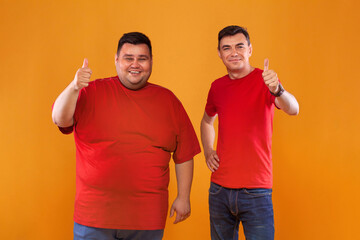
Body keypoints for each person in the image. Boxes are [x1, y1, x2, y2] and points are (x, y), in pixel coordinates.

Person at [52, 32, 201, 240]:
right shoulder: (90, 91)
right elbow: (60, 119)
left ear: (151, 61)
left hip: (146, 220)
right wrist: (74, 86)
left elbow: (185, 153)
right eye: (128, 58)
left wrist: (184, 197)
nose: (135, 64)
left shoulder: (168, 101)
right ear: (116, 60)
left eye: (142, 58)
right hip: (94, 218)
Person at [200, 25, 299, 240]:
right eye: (226, 48)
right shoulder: (217, 87)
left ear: (250, 49)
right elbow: (207, 121)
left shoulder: (266, 81)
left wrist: (278, 90)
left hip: (256, 190)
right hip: (219, 190)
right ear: (219, 53)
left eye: (239, 46)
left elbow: (294, 108)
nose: (233, 52)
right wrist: (208, 150)